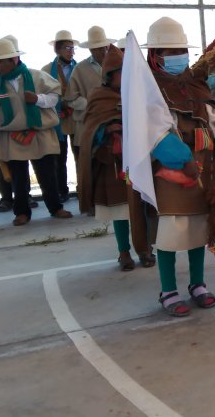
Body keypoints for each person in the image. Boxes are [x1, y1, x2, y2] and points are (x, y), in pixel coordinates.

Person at [139, 17, 215, 316]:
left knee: (199, 233)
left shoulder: (195, 88)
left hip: (204, 172)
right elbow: (157, 132)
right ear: (154, 56)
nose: (177, 57)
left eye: (180, 50)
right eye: (169, 52)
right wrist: (182, 160)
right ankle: (168, 290)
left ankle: (198, 284)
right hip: (173, 177)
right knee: (170, 236)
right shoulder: (150, 94)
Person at [77, 45, 154, 270]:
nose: (123, 77)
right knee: (121, 211)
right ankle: (124, 252)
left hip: (138, 160)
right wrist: (108, 128)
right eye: (119, 72)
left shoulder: (139, 95)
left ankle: (145, 249)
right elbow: (89, 129)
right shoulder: (98, 96)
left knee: (142, 207)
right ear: (109, 75)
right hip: (111, 163)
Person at [0, 37, 73, 226]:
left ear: (13, 60)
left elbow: (54, 97)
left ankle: (55, 207)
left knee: (48, 173)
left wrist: (38, 99)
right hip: (11, 134)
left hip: (39, 132)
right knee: (18, 177)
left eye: (1, 61)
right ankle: (21, 212)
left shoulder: (37, 76)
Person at [0, 36, 38, 213]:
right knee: (1, 164)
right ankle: (6, 198)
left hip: (23, 127)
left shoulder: (28, 74)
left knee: (22, 163)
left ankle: (25, 195)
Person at [64, 26, 111, 167]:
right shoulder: (80, 69)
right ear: (90, 50)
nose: (102, 51)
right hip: (89, 125)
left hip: (114, 123)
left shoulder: (118, 66)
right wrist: (90, 103)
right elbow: (71, 99)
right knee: (91, 166)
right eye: (97, 49)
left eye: (103, 48)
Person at [42, 30, 79, 202]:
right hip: (58, 118)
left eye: (72, 48)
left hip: (77, 117)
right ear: (57, 49)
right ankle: (62, 191)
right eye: (67, 48)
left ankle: (83, 188)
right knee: (59, 156)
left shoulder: (79, 68)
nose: (71, 51)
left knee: (81, 153)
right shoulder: (46, 71)